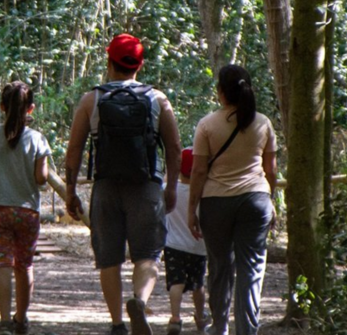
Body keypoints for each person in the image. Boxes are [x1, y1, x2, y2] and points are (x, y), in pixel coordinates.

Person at [65, 33, 183, 335]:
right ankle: (139, 303)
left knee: (109, 259)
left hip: (105, 187)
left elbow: (75, 150)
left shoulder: (91, 99)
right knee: (148, 255)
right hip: (146, 187)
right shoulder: (157, 99)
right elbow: (173, 146)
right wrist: (170, 187)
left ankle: (117, 324)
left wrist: (70, 191)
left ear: (109, 62)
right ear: (139, 65)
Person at [187, 65, 278, 335]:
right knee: (251, 269)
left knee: (219, 268)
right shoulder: (263, 123)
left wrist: (192, 209)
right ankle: (247, 330)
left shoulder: (207, 125)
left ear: (221, 93)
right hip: (255, 200)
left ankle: (220, 328)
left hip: (216, 203)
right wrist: (270, 200)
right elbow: (271, 169)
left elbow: (199, 171)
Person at [0, 81, 51, 335]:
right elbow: (41, 179)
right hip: (27, 210)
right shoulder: (38, 139)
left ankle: (5, 320)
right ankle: (22, 319)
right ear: (31, 109)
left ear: (1, 107)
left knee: (2, 263)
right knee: (25, 265)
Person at [163, 147, 208, 335]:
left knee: (176, 283)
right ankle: (200, 318)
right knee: (198, 284)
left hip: (173, 245)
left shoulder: (170, 191)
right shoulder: (204, 195)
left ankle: (175, 318)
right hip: (198, 247)